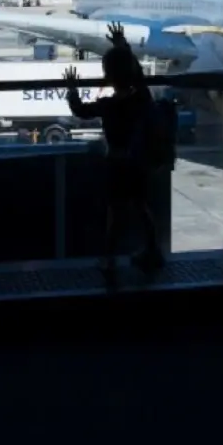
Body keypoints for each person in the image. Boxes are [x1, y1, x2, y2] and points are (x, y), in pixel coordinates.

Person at [64, 23, 166, 279]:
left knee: (115, 214)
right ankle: (153, 251)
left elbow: (80, 111)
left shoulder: (108, 105)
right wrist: (122, 46)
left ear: (108, 76)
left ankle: (109, 259)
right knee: (142, 207)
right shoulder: (141, 98)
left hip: (117, 164)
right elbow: (139, 75)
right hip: (138, 162)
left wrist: (72, 89)